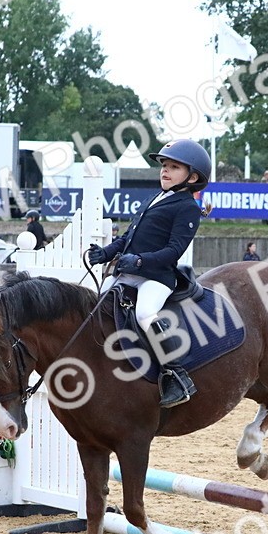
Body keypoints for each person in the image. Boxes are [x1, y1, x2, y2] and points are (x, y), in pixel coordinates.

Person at [86, 138, 210, 407]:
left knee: (144, 313)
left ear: (193, 177)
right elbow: (127, 239)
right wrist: (104, 254)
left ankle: (175, 374)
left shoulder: (187, 207)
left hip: (158, 277)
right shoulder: (154, 198)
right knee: (97, 305)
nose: (165, 170)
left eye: (174, 167)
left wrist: (140, 262)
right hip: (130, 270)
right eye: (164, 165)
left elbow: (173, 251)